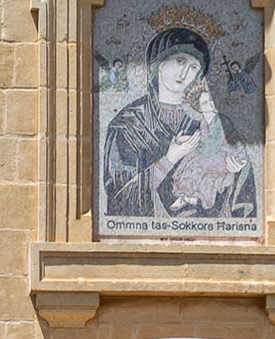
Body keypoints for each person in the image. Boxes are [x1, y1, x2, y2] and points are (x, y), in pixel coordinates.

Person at [102, 26, 253, 225]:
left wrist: (236, 168)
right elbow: (118, 196)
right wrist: (170, 158)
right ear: (158, 64)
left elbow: (241, 174)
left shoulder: (210, 119)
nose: (184, 73)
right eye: (179, 61)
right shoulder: (127, 123)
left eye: (194, 67)